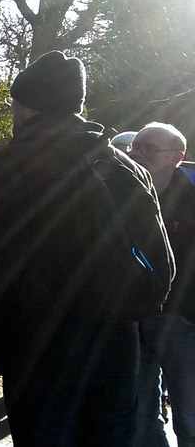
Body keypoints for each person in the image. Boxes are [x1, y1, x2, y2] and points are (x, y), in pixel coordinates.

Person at [0, 50, 152, 446]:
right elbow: (158, 252)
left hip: (39, 342)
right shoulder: (123, 164)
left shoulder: (11, 164)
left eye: (13, 102)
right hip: (118, 339)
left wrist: (0, 346)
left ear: (29, 103)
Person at [130, 122, 195, 447]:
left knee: (190, 418)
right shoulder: (120, 194)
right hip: (132, 320)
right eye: (136, 146)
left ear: (176, 157)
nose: (138, 153)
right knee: (139, 418)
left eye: (149, 148)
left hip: (184, 322)